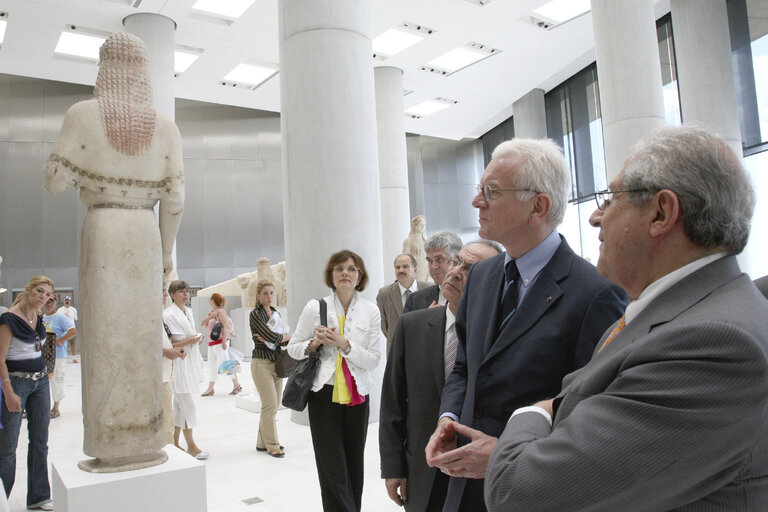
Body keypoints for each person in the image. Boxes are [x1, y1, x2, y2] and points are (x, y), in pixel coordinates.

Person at [480, 127, 768, 511]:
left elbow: (518, 491)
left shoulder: (714, 344)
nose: (595, 218)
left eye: (610, 199)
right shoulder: (679, 314)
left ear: (661, 213)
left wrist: (534, 411)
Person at [425, 138, 628, 512]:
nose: (476, 202)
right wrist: (449, 418)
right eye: (478, 190)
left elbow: (590, 412)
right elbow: (466, 368)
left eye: (492, 192)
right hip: (464, 486)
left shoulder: (596, 293)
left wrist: (505, 452)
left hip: (534, 490)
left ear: (539, 205)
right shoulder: (483, 276)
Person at [45, 33, 183, 468]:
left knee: (105, 339)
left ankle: (110, 443)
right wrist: (165, 257)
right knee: (142, 338)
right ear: (143, 73)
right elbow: (175, 200)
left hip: (104, 227)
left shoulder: (82, 115)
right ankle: (144, 440)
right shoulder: (165, 127)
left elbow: (54, 181)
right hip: (145, 232)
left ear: (105, 70)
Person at [380, 241, 501, 512]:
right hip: (424, 470)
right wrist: (393, 467)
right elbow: (392, 402)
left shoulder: (501, 338)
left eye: (471, 269)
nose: (455, 272)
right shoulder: (412, 327)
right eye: (456, 262)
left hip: (480, 477)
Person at [286, 250, 384, 512]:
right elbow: (292, 348)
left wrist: (345, 344)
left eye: (352, 269)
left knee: (354, 466)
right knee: (332, 469)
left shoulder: (371, 312)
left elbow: (374, 360)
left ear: (359, 277)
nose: (345, 273)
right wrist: (314, 343)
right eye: (339, 268)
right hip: (323, 397)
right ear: (331, 275)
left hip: (358, 397)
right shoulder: (314, 308)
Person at [0, 275, 55, 511]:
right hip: (16, 384)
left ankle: (39, 496)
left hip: (40, 383)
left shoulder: (37, 315)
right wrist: (8, 391)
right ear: (28, 290)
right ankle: (2, 498)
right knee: (8, 446)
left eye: (47, 294)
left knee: (40, 441)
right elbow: (0, 359)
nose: (43, 297)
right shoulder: (8, 320)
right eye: (39, 292)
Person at [163, 280, 208, 460]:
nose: (185, 294)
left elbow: (191, 335)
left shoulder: (188, 312)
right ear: (173, 295)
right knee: (186, 403)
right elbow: (170, 343)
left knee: (179, 406)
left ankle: (174, 442)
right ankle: (191, 445)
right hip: (178, 363)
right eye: (181, 291)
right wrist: (191, 340)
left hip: (189, 360)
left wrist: (196, 339)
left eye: (187, 291)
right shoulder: (168, 314)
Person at [249, 280, 290, 458]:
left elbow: (282, 339)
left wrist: (279, 337)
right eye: (265, 293)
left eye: (271, 293)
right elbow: (271, 336)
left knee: (273, 406)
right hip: (261, 363)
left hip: (277, 362)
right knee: (269, 405)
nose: (269, 296)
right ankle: (272, 444)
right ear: (258, 296)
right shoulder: (255, 314)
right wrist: (279, 337)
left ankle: (261, 442)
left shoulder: (276, 313)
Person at [376, 254, 430, 353]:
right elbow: (384, 326)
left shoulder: (429, 289)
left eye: (405, 266)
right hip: (396, 351)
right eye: (397, 267)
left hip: (426, 348)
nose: (401, 270)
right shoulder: (384, 293)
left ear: (415, 269)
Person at [403, 232, 463, 313]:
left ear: (456, 261)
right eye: (429, 261)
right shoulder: (414, 301)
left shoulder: (473, 297)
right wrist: (427, 319)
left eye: (439, 259)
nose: (433, 267)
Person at [41, 296, 76, 419]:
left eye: (52, 301)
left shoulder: (61, 317)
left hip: (58, 356)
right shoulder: (42, 318)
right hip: (43, 356)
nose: (49, 304)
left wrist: (60, 340)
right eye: (47, 302)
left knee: (57, 380)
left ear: (56, 303)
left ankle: (56, 407)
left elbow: (73, 331)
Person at [200, 293, 241, 397]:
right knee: (212, 366)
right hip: (212, 343)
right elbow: (202, 323)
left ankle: (237, 385)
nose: (210, 301)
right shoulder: (214, 312)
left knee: (227, 364)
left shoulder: (221, 312)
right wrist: (212, 316)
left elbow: (226, 326)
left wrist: (223, 342)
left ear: (213, 301)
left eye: (211, 300)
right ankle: (211, 388)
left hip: (219, 343)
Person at [161, 289, 185, 446]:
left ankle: (170, 447)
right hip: (157, 375)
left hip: (165, 373)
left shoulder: (160, 314)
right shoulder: (150, 314)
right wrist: (166, 352)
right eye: (162, 291)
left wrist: (173, 349)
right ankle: (169, 450)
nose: (165, 295)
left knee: (168, 414)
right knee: (166, 417)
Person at [56, 296, 78, 363]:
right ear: (64, 301)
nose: (67, 301)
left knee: (72, 343)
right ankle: (62, 358)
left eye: (68, 300)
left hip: (71, 329)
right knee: (61, 342)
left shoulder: (74, 310)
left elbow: (75, 319)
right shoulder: (60, 310)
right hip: (62, 330)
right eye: (66, 300)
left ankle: (74, 357)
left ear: (70, 301)